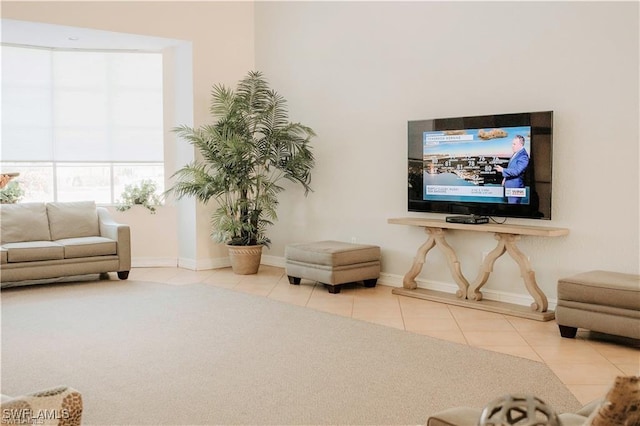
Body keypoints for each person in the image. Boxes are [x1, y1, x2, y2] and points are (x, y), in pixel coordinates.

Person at [495, 135, 529, 204]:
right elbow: (511, 168)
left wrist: (502, 170)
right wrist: (505, 178)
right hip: (511, 187)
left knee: (513, 209)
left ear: (520, 144)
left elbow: (517, 171)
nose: (512, 146)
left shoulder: (523, 156)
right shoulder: (516, 154)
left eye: (514, 144)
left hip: (515, 187)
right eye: (512, 144)